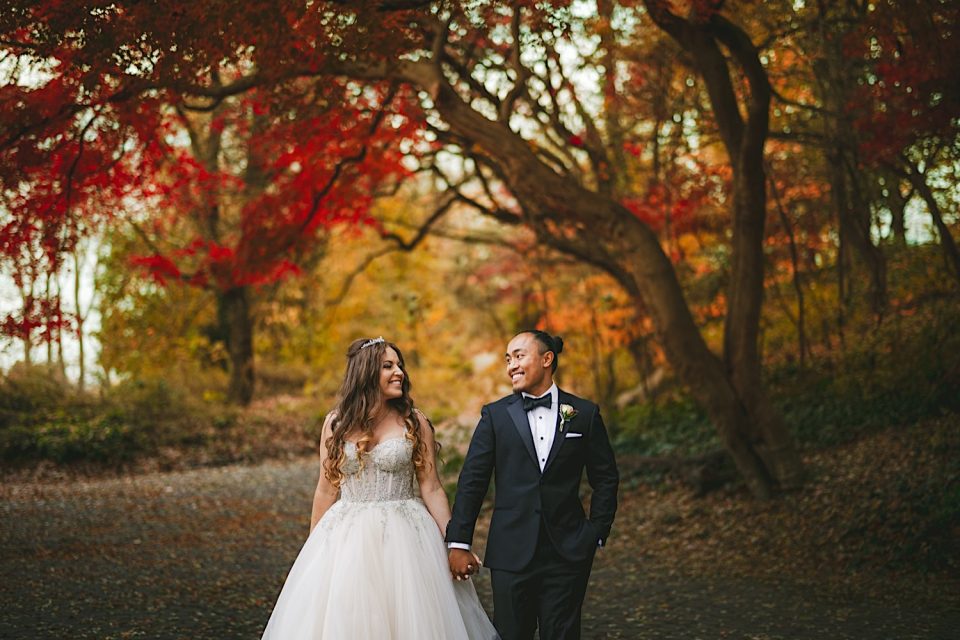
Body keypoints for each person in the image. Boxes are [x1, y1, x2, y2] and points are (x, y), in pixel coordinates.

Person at [261, 337, 498, 640]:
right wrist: (315, 549)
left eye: (399, 365)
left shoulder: (415, 422)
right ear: (366, 372)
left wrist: (455, 543)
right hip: (347, 537)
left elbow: (432, 488)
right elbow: (325, 489)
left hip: (408, 538)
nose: (399, 372)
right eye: (388, 366)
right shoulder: (335, 424)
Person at [446, 330, 619, 640]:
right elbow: (473, 481)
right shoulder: (495, 416)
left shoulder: (585, 414)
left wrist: (596, 532)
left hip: (568, 550)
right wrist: (459, 542)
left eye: (519, 355)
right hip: (511, 551)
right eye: (508, 359)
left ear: (546, 358)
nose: (512, 365)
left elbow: (605, 477)